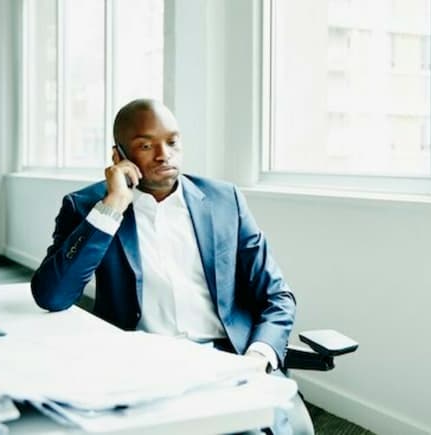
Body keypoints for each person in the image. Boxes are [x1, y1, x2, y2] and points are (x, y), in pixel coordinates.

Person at [30, 99, 312, 435]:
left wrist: (256, 359)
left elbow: (276, 296)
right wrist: (114, 206)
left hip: (227, 361)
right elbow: (52, 295)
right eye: (146, 145)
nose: (164, 154)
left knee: (250, 429)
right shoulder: (87, 207)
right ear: (119, 156)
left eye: (173, 142)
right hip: (141, 366)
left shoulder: (225, 201)